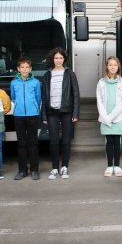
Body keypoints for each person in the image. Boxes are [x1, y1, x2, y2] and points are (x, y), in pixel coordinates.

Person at [41, 47, 80, 180]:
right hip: (51, 111)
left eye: (61, 58)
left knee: (66, 141)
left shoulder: (70, 74)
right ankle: (54, 168)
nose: (58, 60)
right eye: (56, 58)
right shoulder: (47, 75)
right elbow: (44, 97)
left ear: (64, 59)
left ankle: (64, 167)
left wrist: (75, 113)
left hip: (67, 111)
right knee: (53, 141)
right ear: (52, 59)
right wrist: (44, 115)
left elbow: (75, 94)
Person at [96, 56, 122, 177]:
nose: (113, 67)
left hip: (118, 117)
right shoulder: (101, 82)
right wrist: (105, 117)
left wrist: (112, 116)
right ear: (107, 67)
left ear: (118, 66)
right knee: (109, 142)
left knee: (117, 142)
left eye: (115, 65)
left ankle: (118, 166)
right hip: (105, 117)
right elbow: (99, 101)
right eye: (110, 65)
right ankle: (109, 166)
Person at [11, 56, 42, 181]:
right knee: (21, 144)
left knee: (33, 143)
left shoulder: (35, 82)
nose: (24, 69)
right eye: (22, 67)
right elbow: (13, 97)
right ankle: (22, 170)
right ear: (18, 69)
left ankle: (34, 170)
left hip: (32, 115)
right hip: (18, 116)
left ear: (30, 69)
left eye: (27, 67)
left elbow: (38, 98)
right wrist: (18, 106)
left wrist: (34, 107)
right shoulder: (14, 82)